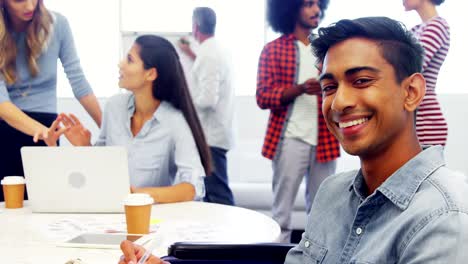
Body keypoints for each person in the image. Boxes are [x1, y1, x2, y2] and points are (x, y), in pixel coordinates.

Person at [118, 16, 468, 264]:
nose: (340, 102)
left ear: (411, 92)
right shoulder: (333, 194)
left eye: (361, 81)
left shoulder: (444, 218)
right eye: (329, 87)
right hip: (290, 137)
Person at [52, 35, 212, 204]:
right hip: (111, 214)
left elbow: (192, 188)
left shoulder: (175, 121)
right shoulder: (114, 107)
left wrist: (137, 195)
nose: (120, 64)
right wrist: (84, 147)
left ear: (150, 74)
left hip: (152, 218)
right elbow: (102, 167)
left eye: (129, 60)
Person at [0, 0, 102, 201]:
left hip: (46, 129)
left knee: (45, 204)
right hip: (8, 127)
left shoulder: (58, 24)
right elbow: (2, 105)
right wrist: (45, 132)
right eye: (19, 0)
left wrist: (108, 127)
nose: (29, 6)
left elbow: (78, 81)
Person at [256, 0, 340, 242]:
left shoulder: (327, 50)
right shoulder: (273, 49)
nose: (316, 10)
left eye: (317, 4)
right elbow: (263, 96)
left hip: (326, 139)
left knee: (323, 211)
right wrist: (300, 89)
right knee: (281, 213)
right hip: (290, 139)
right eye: (308, 4)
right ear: (291, 9)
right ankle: (275, 257)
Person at [178, 7, 235, 206]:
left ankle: (233, 238)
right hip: (217, 133)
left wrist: (184, 104)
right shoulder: (216, 50)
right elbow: (210, 74)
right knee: (213, 194)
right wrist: (191, 54)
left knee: (218, 195)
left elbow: (208, 99)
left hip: (211, 137)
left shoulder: (208, 54)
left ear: (195, 27)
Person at [403, 0, 450, 146]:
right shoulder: (416, 29)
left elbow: (411, 66)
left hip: (425, 121)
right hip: (413, 117)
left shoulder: (437, 26)